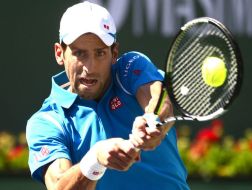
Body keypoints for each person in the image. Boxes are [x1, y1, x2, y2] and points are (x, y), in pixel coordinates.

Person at [26, 1, 189, 190]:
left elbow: (160, 102)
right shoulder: (47, 121)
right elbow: (58, 186)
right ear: (59, 53)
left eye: (100, 53)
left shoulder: (130, 68)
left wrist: (153, 122)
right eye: (79, 53)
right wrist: (95, 160)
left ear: (114, 53)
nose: (90, 67)